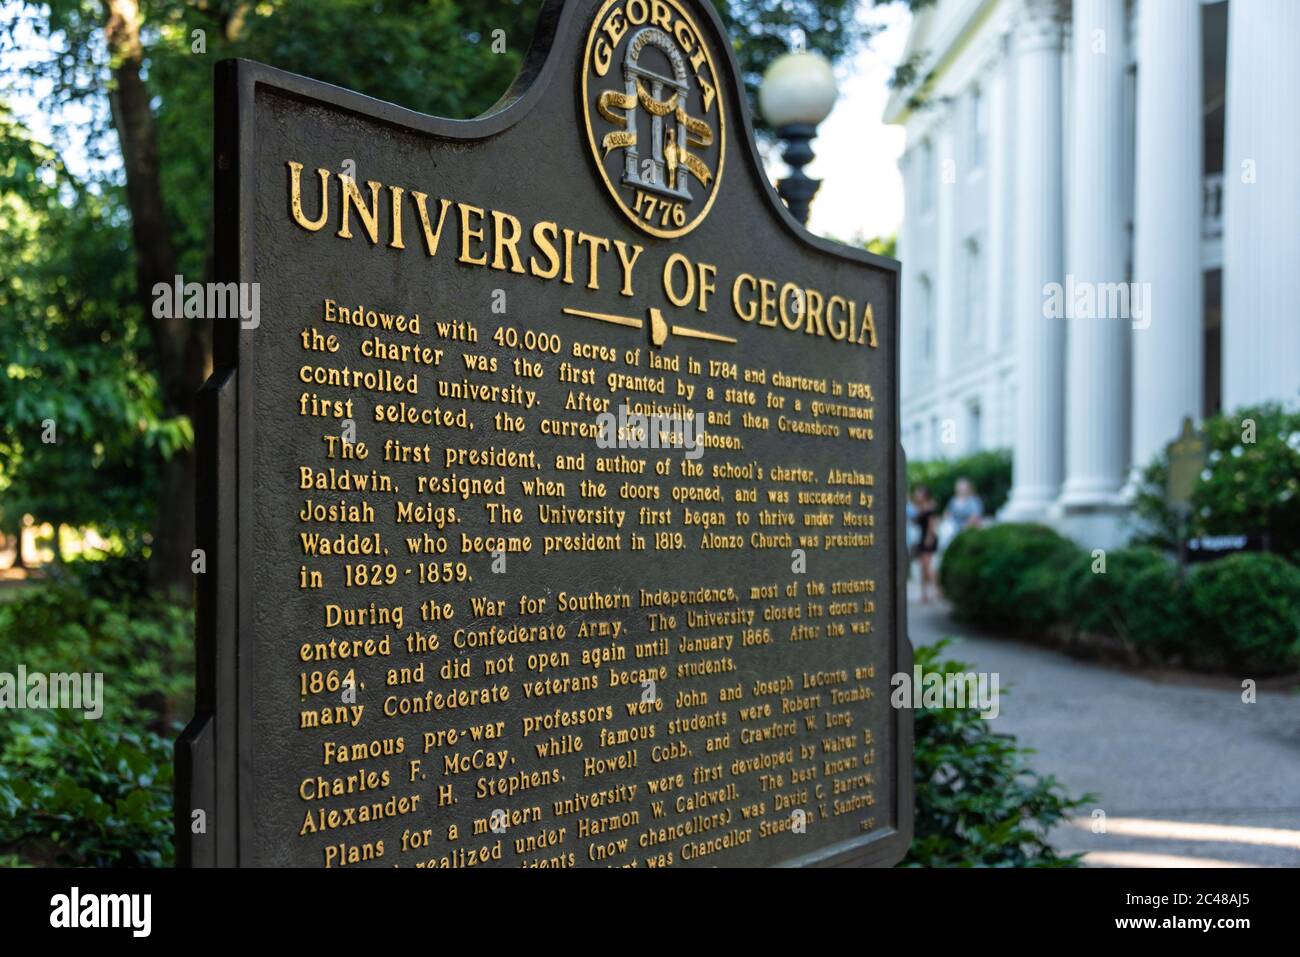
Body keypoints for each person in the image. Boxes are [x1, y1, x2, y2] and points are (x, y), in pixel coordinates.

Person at [910, 485, 939, 603]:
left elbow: (932, 525)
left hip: (928, 538)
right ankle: (924, 594)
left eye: (919, 493)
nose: (917, 495)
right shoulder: (919, 507)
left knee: (927, 566)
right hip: (921, 538)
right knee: (923, 567)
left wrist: (929, 538)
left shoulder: (929, 507)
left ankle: (938, 589)